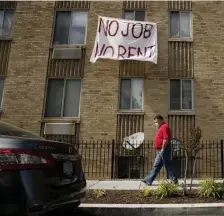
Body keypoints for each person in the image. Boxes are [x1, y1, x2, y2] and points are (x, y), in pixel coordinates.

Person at [141, 115, 178, 185]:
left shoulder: (164, 127)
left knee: (168, 164)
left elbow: (166, 139)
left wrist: (163, 149)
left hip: (164, 150)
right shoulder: (161, 127)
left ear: (161, 120)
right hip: (160, 150)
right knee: (157, 165)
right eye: (155, 122)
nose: (156, 124)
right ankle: (148, 180)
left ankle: (174, 179)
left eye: (156, 122)